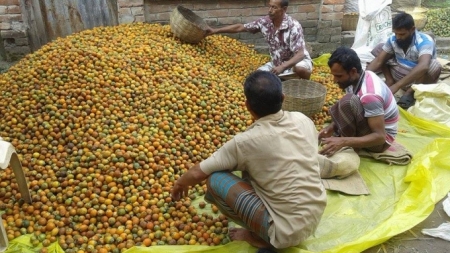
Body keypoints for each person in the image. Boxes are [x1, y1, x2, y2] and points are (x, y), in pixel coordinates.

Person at [171, 71, 326, 251]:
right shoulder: (304, 120)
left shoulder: (245, 142)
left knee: (215, 179)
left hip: (284, 231)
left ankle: (258, 237)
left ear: (247, 106)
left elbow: (198, 172)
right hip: (315, 215)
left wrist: (180, 183)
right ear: (283, 97)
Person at [318, 47, 399, 157]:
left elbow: (380, 137)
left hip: (381, 142)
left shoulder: (370, 96)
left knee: (347, 102)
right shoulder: (357, 78)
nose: (334, 80)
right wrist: (331, 127)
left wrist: (343, 141)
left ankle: (350, 150)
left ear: (353, 71)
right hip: (373, 126)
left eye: (339, 76)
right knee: (344, 103)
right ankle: (345, 139)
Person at [205, 0, 313, 80]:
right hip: (277, 63)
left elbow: (300, 54)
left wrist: (283, 66)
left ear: (284, 9)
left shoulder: (293, 26)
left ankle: (304, 85)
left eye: (274, 8)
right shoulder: (265, 22)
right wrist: (215, 30)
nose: (270, 11)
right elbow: (240, 27)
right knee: (256, 78)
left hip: (296, 62)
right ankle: (284, 79)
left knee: (300, 69)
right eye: (269, 7)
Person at [366, 12, 442, 109]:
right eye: (396, 33)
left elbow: (423, 66)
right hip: (397, 75)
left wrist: (397, 86)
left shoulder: (424, 41)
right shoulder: (393, 39)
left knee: (433, 65)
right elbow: (379, 61)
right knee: (380, 49)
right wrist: (362, 77)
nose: (398, 37)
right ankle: (390, 80)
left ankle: (409, 92)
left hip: (417, 80)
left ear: (412, 29)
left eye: (402, 34)